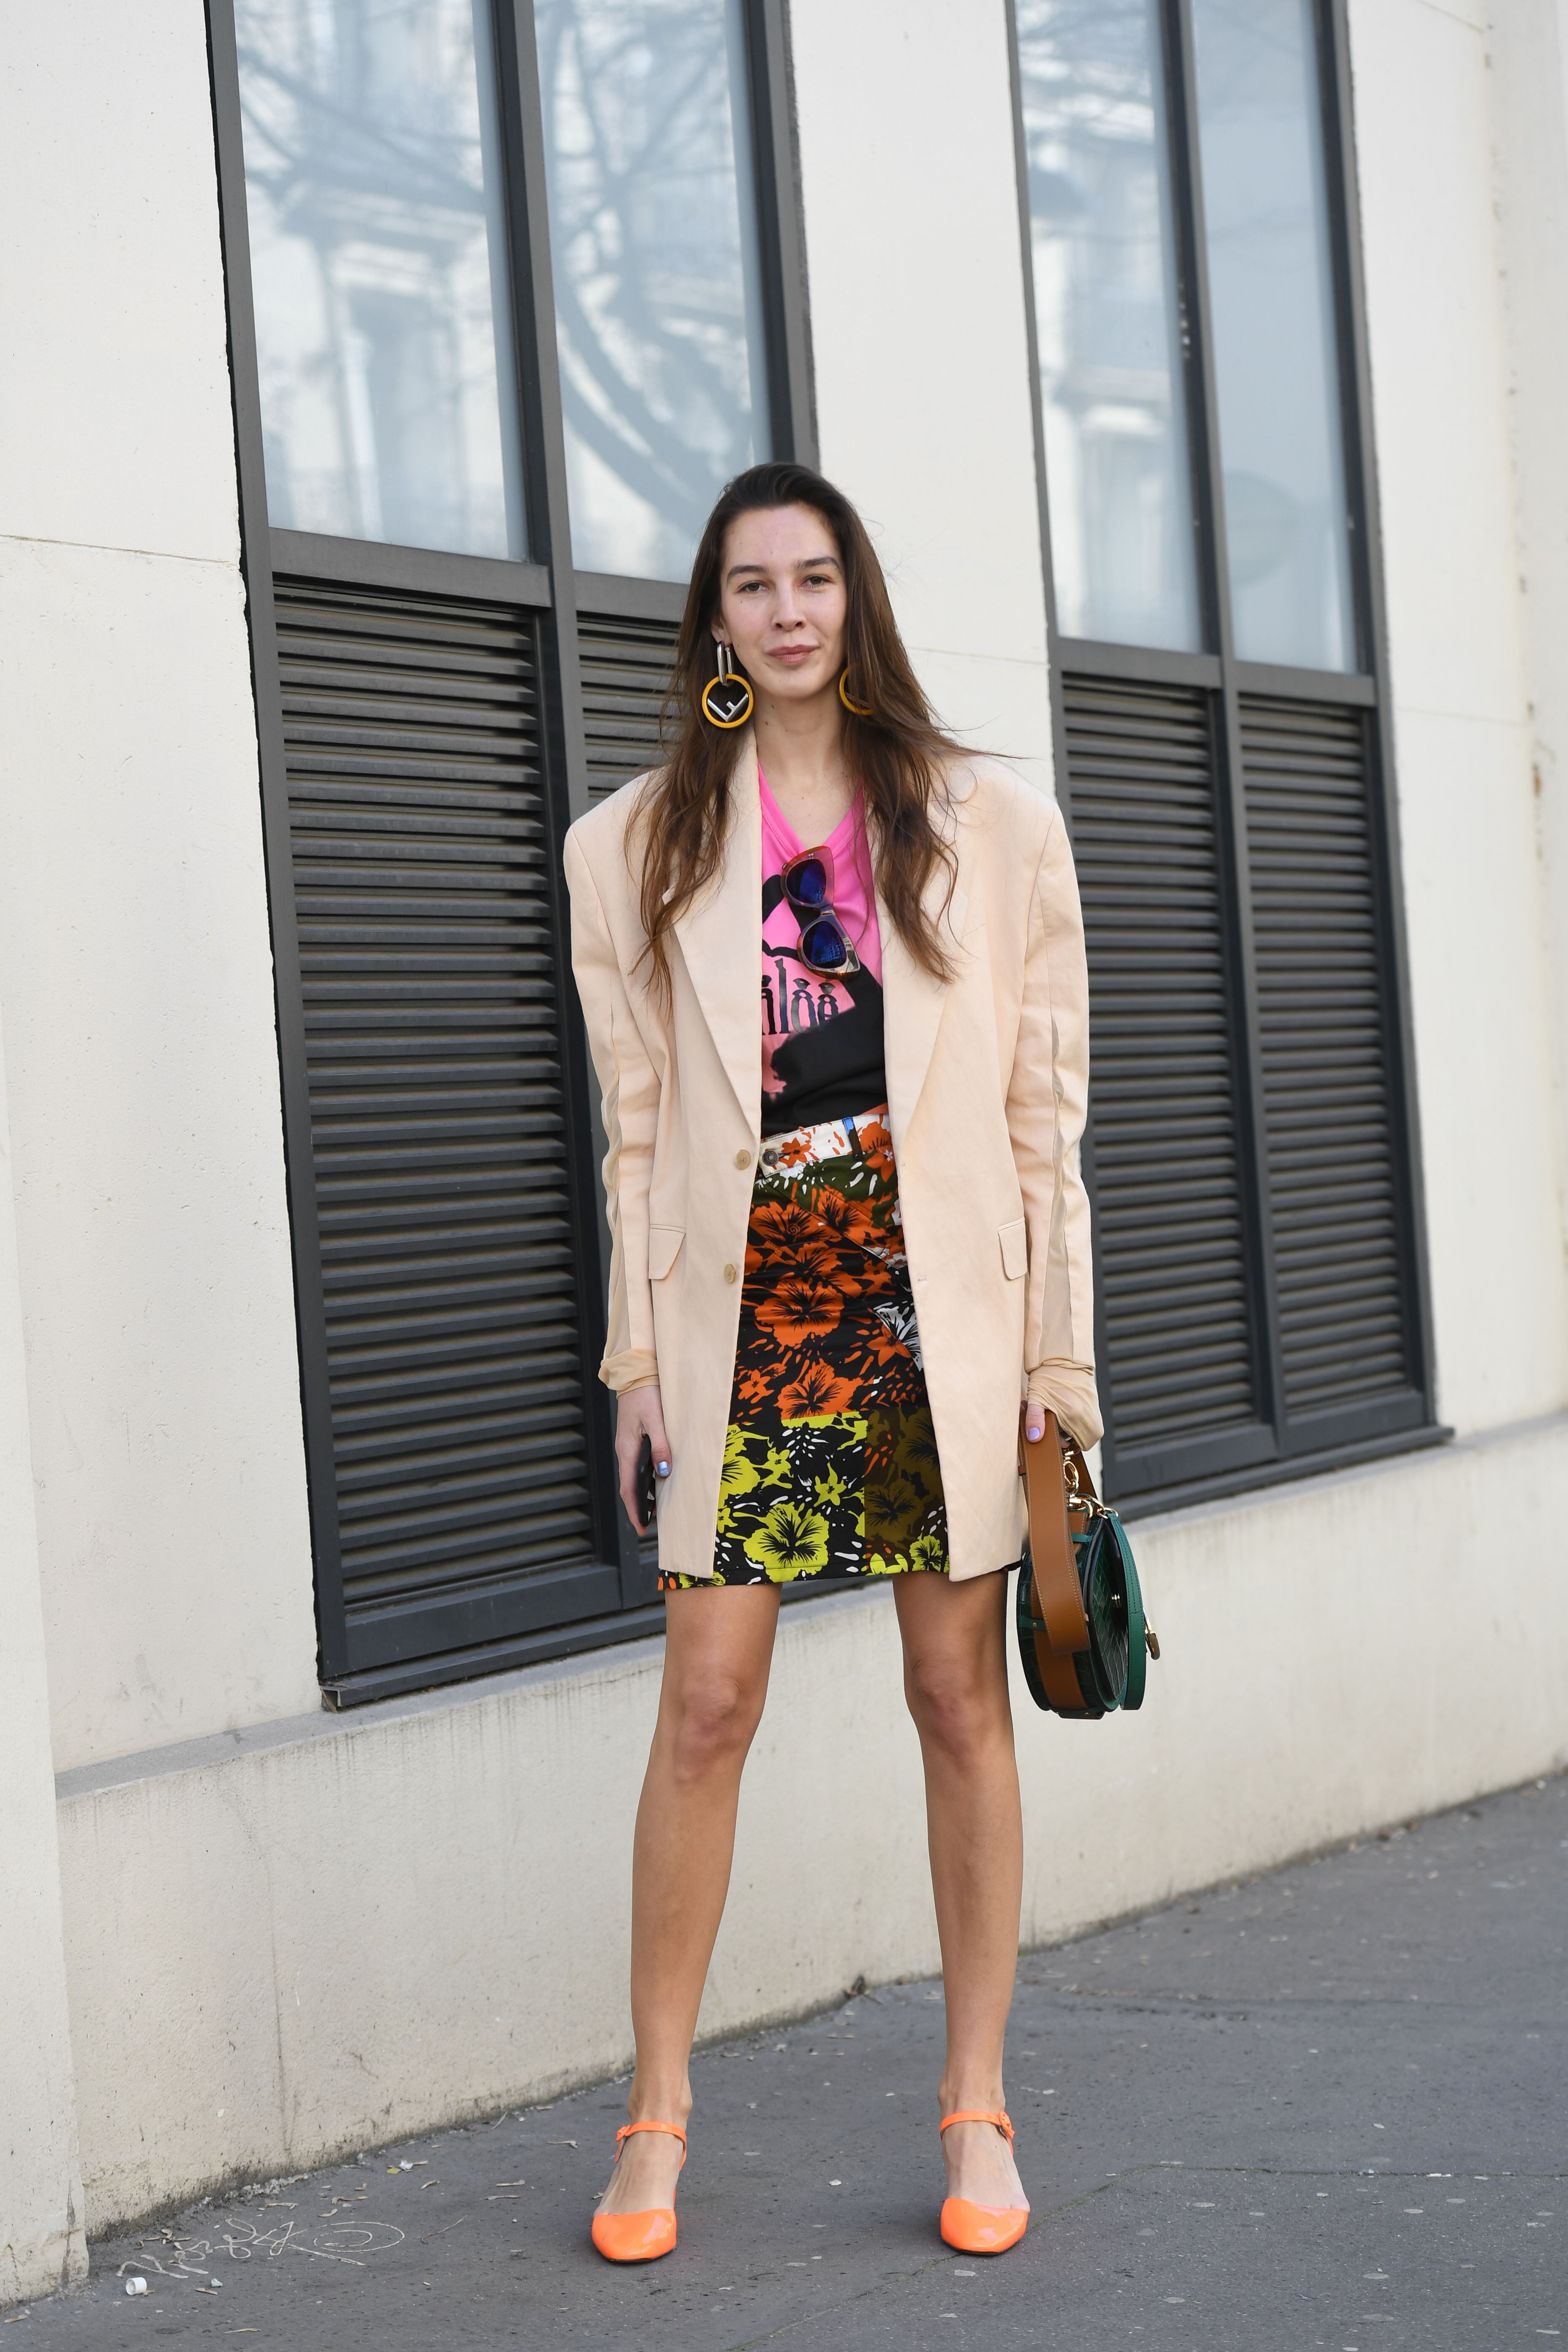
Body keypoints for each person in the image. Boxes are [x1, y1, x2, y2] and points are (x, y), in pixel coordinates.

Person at [564, 461, 1100, 2263]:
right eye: (751, 585)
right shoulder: (636, 846)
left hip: (939, 1311)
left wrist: (1058, 1367)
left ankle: (977, 2102)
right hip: (754, 1313)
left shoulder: (988, 825)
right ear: (714, 621)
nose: (786, 612)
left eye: (813, 578)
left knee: (957, 1700)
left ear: (854, 598)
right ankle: (654, 2115)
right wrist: (636, 1358)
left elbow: (1043, 1122)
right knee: (706, 1708)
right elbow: (637, 1128)